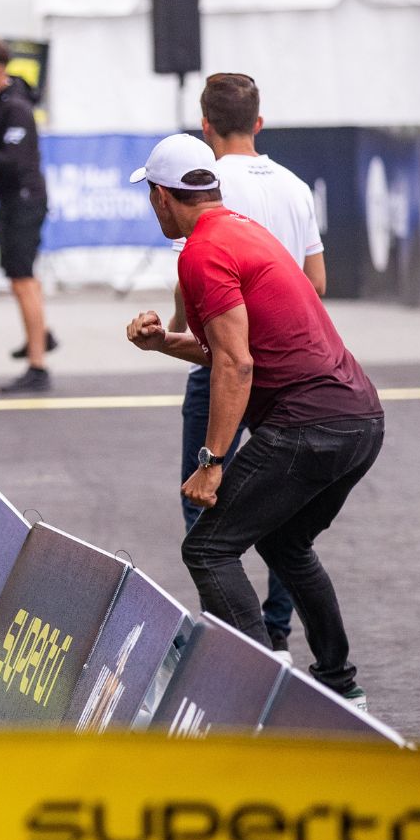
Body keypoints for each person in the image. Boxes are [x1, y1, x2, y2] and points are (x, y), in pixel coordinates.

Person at [124, 133, 381, 710]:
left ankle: (260, 696)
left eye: (151, 198)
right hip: (359, 419)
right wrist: (164, 342)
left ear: (164, 198)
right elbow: (232, 349)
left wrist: (212, 463)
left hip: (308, 423)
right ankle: (341, 687)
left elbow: (237, 365)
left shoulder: (201, 251)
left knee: (208, 549)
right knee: (286, 546)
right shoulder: (241, 229)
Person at [177, 72, 327, 651]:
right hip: (286, 370)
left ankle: (226, 634)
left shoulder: (205, 184)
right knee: (283, 512)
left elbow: (192, 275)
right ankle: (278, 637)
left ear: (205, 125)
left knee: (203, 490)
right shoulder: (294, 185)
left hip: (222, 360)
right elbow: (315, 282)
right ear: (258, 123)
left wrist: (175, 336)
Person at [0, 38, 52, 392]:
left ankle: (38, 364)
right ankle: (41, 336)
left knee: (23, 279)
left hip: (25, 199)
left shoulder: (16, 107)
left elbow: (13, 162)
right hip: (9, 201)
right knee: (17, 277)